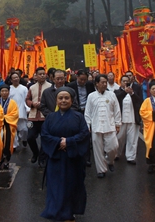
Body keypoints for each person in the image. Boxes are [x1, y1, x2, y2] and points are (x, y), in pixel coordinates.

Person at [40, 87, 90, 221]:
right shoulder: (50, 117)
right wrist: (58, 142)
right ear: (56, 100)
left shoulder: (78, 117)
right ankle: (55, 211)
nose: (63, 100)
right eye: (60, 98)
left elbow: (84, 134)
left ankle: (69, 212)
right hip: (55, 158)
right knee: (55, 186)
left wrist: (69, 141)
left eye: (66, 98)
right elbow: (44, 135)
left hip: (72, 158)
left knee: (71, 185)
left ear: (72, 100)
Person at [84, 74, 121, 178]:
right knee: (98, 149)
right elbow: (88, 112)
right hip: (96, 126)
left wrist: (118, 124)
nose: (105, 84)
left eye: (106, 82)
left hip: (110, 125)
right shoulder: (91, 96)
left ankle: (110, 161)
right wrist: (88, 125)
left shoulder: (112, 95)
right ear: (96, 84)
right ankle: (101, 170)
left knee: (113, 147)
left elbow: (117, 110)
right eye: (102, 82)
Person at [68, 69, 96, 167]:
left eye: (85, 80)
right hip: (76, 112)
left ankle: (87, 158)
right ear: (77, 77)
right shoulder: (70, 86)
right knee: (75, 134)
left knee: (86, 135)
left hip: (87, 111)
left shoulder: (89, 85)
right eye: (81, 79)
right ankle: (74, 155)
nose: (83, 82)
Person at [115, 75, 143, 165]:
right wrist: (124, 92)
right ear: (121, 82)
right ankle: (116, 154)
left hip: (133, 119)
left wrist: (132, 94)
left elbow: (139, 102)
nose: (125, 83)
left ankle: (131, 157)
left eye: (127, 81)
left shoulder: (134, 92)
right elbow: (117, 100)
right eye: (124, 81)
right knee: (119, 138)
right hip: (121, 119)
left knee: (132, 139)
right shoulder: (116, 92)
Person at [26, 67, 52, 165]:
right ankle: (35, 153)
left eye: (43, 74)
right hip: (33, 116)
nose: (42, 75)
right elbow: (27, 100)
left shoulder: (50, 86)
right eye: (39, 74)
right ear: (35, 76)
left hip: (45, 117)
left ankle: (42, 159)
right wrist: (32, 104)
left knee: (44, 138)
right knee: (30, 137)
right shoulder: (31, 87)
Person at [140, 81, 155, 173]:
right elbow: (142, 112)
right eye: (153, 89)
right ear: (150, 90)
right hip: (151, 126)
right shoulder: (147, 101)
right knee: (151, 145)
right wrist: (154, 114)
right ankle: (151, 164)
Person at [0, 84, 19, 168]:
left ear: (8, 92)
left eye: (6, 91)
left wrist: (3, 118)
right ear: (0, 92)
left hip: (8, 126)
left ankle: (7, 160)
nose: (4, 93)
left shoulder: (13, 103)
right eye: (2, 91)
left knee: (7, 144)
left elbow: (15, 114)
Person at [9, 72, 29, 149]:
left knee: (24, 129)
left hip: (22, 111)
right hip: (12, 112)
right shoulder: (9, 89)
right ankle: (14, 146)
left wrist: (27, 108)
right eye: (14, 78)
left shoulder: (24, 88)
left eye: (17, 77)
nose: (16, 79)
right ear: (11, 80)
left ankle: (24, 139)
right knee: (12, 131)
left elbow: (26, 99)